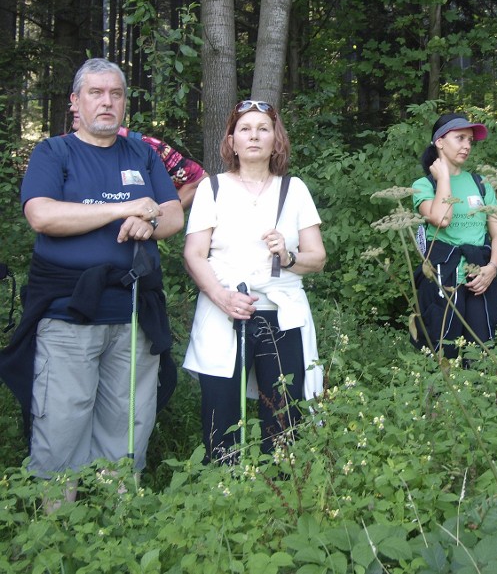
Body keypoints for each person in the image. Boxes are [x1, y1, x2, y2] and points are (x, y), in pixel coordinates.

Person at [0, 58, 183, 491]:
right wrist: (125, 208)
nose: (107, 102)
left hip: (133, 310)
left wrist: (151, 221)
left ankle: (118, 512)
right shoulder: (54, 152)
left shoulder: (142, 153)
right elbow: (42, 215)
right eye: (96, 93)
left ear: (124, 104)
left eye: (115, 94)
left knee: (129, 418)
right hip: (68, 312)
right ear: (75, 103)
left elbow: (172, 212)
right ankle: (58, 519)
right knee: (62, 416)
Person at [182, 100, 326, 463]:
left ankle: (279, 487)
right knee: (221, 410)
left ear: (276, 140)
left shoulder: (294, 190)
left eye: (263, 129)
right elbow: (194, 254)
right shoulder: (211, 189)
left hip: (281, 311)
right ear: (231, 141)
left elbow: (318, 258)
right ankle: (223, 485)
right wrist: (221, 296)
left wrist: (289, 257)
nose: (254, 136)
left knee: (283, 412)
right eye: (245, 129)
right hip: (224, 310)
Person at [411, 113, 497, 358]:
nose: (467, 146)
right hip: (445, 275)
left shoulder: (481, 183)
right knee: (444, 343)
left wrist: (492, 268)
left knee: (483, 345)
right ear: (440, 142)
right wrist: (443, 178)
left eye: (470, 141)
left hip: (480, 276)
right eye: (460, 138)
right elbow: (442, 219)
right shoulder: (423, 186)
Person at [68, 106, 207, 209]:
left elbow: (199, 179)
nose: (73, 108)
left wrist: (158, 217)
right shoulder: (59, 151)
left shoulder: (147, 148)